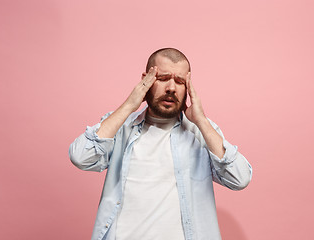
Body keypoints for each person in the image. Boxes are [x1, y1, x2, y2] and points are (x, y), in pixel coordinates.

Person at [69, 48, 252, 240]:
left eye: (180, 81)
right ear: (146, 80)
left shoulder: (201, 131)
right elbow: (81, 156)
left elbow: (239, 178)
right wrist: (129, 105)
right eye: (163, 78)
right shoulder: (121, 126)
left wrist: (202, 122)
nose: (172, 88)